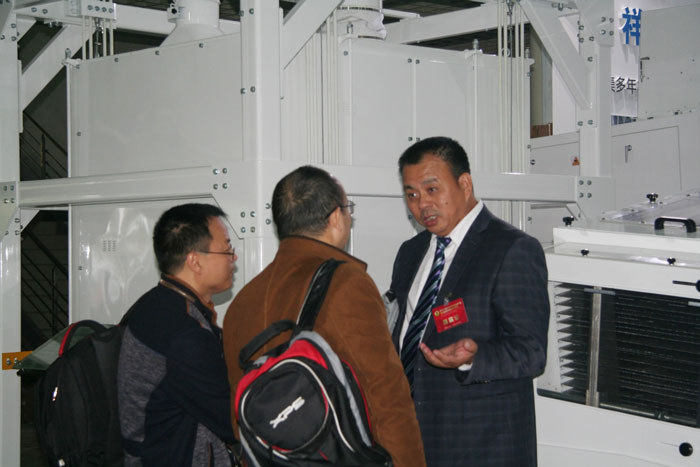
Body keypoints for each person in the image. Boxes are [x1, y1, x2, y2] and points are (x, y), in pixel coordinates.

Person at [223, 165, 426, 467]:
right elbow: (386, 398)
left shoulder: (240, 303)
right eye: (348, 209)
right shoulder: (346, 283)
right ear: (335, 217)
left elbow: (239, 414)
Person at [390, 137, 549, 467]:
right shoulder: (410, 253)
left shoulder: (512, 249)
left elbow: (531, 352)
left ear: (464, 184)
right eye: (412, 194)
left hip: (481, 446)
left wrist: (473, 359)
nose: (422, 204)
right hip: (412, 439)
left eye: (432, 189)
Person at [118, 203, 237, 466]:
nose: (233, 257)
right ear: (195, 261)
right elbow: (231, 421)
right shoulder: (183, 332)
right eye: (227, 248)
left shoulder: (158, 303)